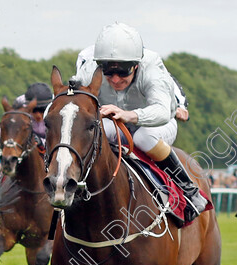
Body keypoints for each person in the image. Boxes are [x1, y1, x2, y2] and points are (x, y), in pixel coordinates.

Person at [73, 23, 208, 225]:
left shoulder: (152, 67)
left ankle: (187, 188)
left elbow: (162, 112)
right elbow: (69, 101)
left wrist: (128, 115)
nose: (116, 79)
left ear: (136, 65)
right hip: (114, 122)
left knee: (143, 137)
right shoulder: (90, 65)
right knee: (94, 132)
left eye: (123, 72)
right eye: (109, 72)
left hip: (157, 124)